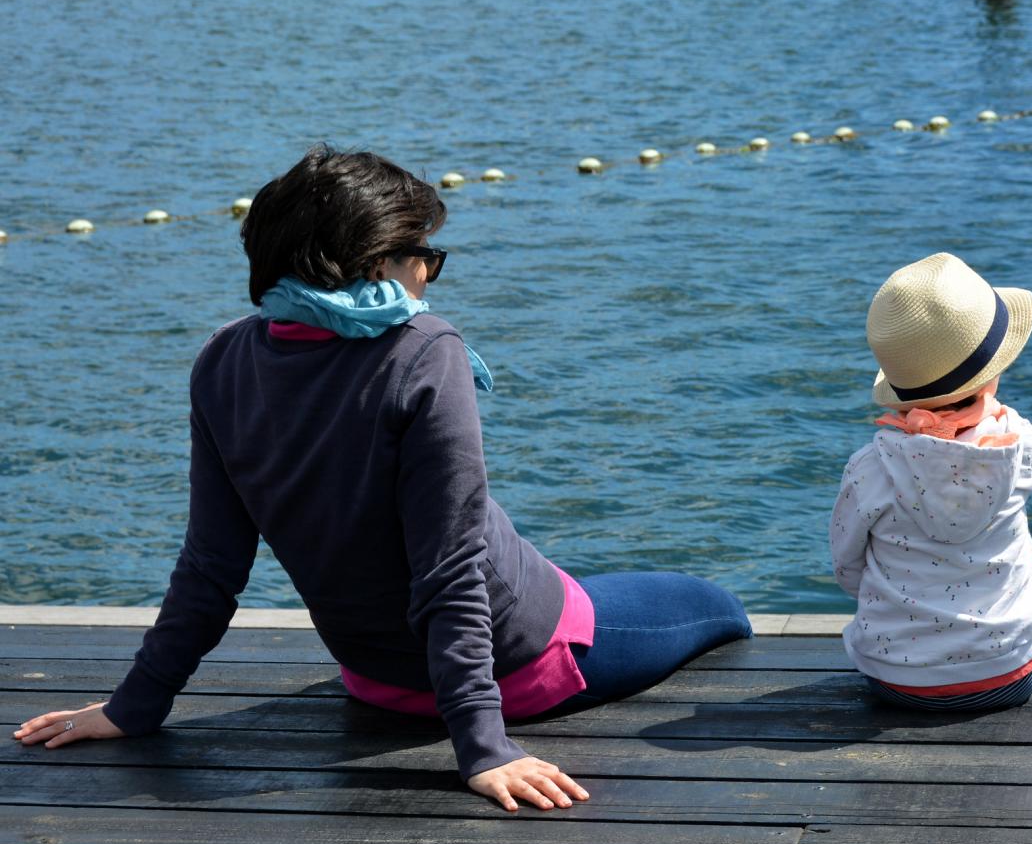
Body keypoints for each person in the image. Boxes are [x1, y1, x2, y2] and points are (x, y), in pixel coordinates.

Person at [13, 145, 752, 810]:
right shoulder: (422, 349)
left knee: (552, 567)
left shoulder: (224, 359)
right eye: (423, 252)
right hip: (520, 664)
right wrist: (484, 750)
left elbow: (212, 566)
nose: (429, 271)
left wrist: (134, 706)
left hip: (373, 676)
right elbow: (451, 570)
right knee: (714, 607)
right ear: (376, 265)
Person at [830, 252, 1032, 711]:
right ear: (991, 376)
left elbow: (847, 565)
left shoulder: (868, 468)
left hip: (893, 681)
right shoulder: (1017, 449)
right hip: (1007, 675)